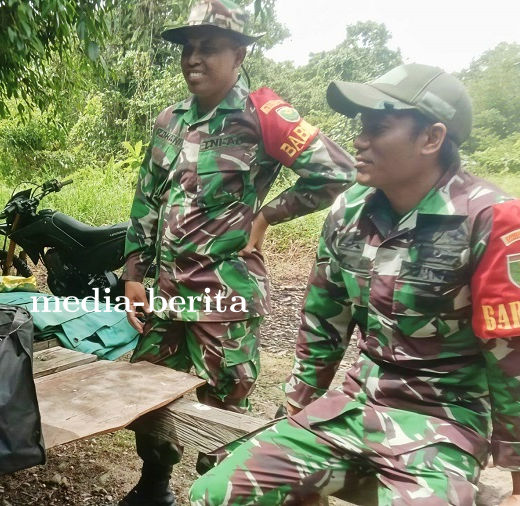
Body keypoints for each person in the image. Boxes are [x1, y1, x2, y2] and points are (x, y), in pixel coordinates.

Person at [189, 64, 520, 505]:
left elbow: (513, 355)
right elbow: (323, 323)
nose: (359, 141)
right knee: (213, 494)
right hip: (356, 405)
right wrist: (297, 412)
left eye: (378, 128)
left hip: (444, 421)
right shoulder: (349, 211)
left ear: (431, 138)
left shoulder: (493, 218)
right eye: (362, 128)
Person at [120, 1, 355, 504]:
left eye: (208, 47)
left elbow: (335, 170)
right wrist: (134, 272)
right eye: (188, 48)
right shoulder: (169, 121)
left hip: (223, 295)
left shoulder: (262, 115)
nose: (193, 58)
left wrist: (268, 215)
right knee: (147, 393)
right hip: (165, 294)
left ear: (239, 54)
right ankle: (154, 486)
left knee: (224, 406)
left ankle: (222, 494)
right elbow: (146, 198)